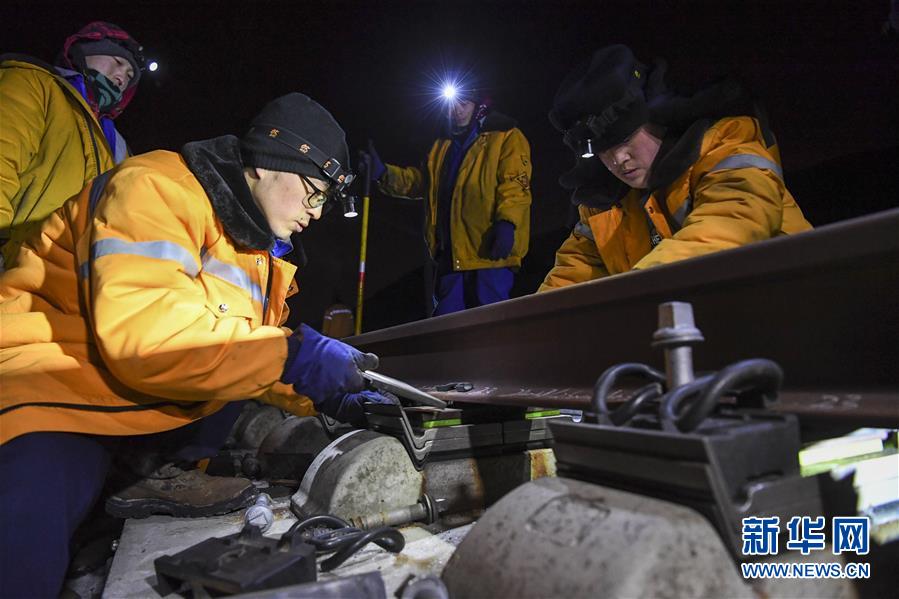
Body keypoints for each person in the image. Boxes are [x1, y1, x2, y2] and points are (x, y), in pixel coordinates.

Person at [0, 92, 391, 597]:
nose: (315, 215)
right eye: (315, 193)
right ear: (275, 163)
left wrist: (321, 397)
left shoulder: (257, 254)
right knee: (22, 550)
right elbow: (148, 342)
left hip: (128, 407)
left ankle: (144, 486)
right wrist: (294, 355)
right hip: (49, 396)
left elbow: (238, 354)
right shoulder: (156, 189)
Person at [538, 45, 812, 291]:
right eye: (604, 150)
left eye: (626, 139)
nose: (618, 159)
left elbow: (732, 219)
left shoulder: (726, 145)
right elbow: (571, 276)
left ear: (656, 120)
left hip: (799, 310)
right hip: (710, 331)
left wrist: (637, 290)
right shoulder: (602, 205)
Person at [367, 83, 532, 315]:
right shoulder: (441, 146)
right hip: (451, 257)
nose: (456, 110)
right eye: (451, 104)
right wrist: (384, 174)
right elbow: (422, 183)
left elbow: (515, 184)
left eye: (463, 103)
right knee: (447, 326)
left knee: (491, 325)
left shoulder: (506, 137)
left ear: (479, 105)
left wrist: (507, 222)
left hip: (488, 253)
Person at [0, 21, 144, 270]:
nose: (122, 77)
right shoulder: (35, 83)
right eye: (118, 62)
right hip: (15, 268)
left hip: (77, 287)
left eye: (130, 76)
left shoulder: (118, 146)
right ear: (86, 51)